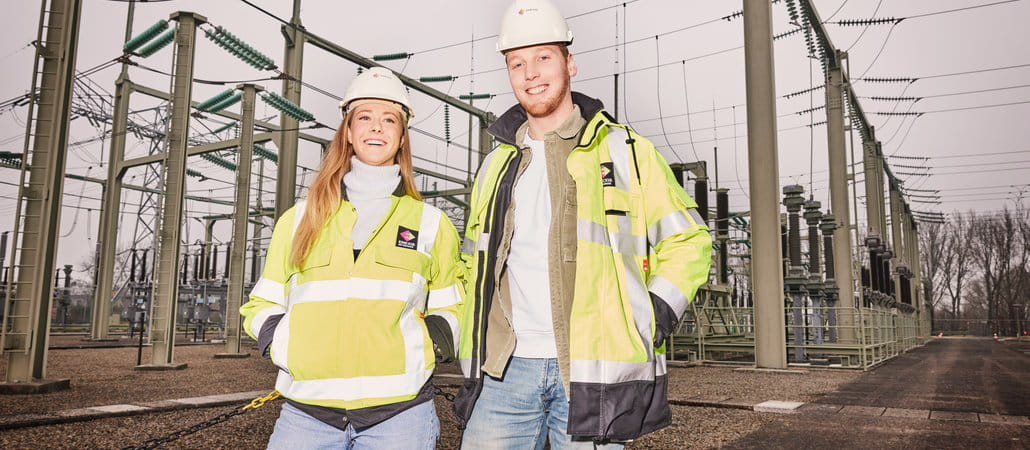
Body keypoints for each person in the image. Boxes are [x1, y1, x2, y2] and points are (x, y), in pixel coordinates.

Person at [454, 0, 713, 447]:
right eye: (517, 63)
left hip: (591, 372)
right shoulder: (495, 164)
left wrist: (650, 316)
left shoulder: (626, 151)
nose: (530, 73)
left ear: (569, 63)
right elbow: (471, 262)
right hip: (503, 372)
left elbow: (688, 239)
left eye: (543, 57)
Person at [241, 67, 464, 449]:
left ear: (401, 136)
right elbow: (264, 300)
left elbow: (453, 304)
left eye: (388, 119)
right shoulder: (298, 220)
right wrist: (281, 341)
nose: (376, 128)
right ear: (347, 131)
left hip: (400, 416)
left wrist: (434, 344)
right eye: (365, 117)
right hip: (307, 415)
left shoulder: (431, 224)